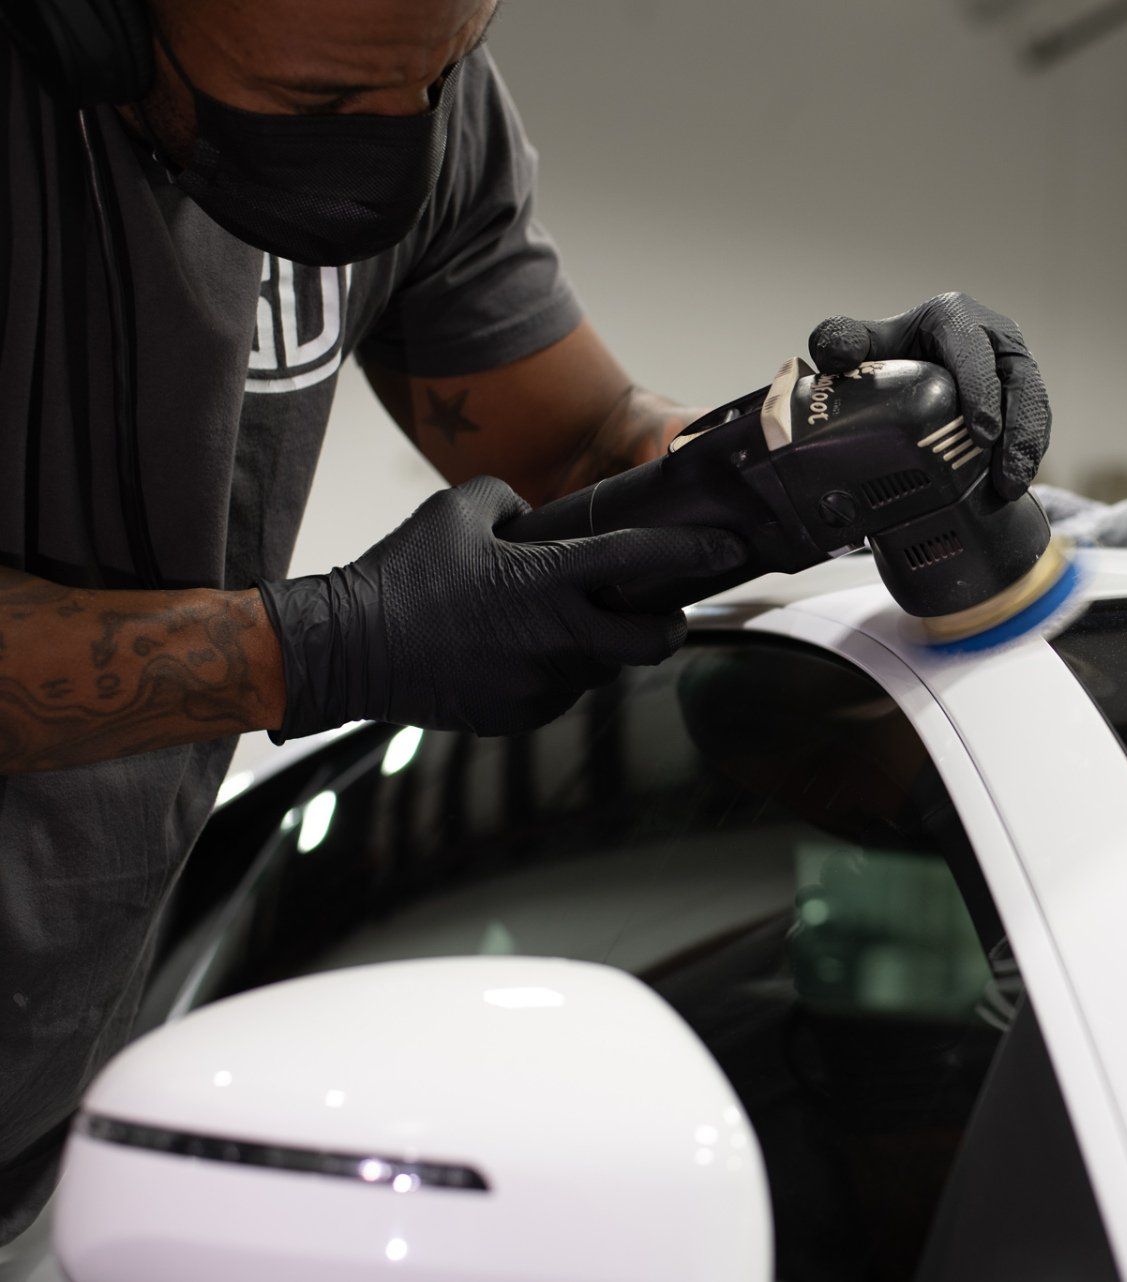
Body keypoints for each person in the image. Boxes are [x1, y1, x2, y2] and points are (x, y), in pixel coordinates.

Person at [0, 0, 1050, 1240]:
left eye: (443, 72)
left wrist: (785, 449)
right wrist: (319, 646)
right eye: (330, 105)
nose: (401, 136)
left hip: (49, 1108)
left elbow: (578, 438)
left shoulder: (408, 88)